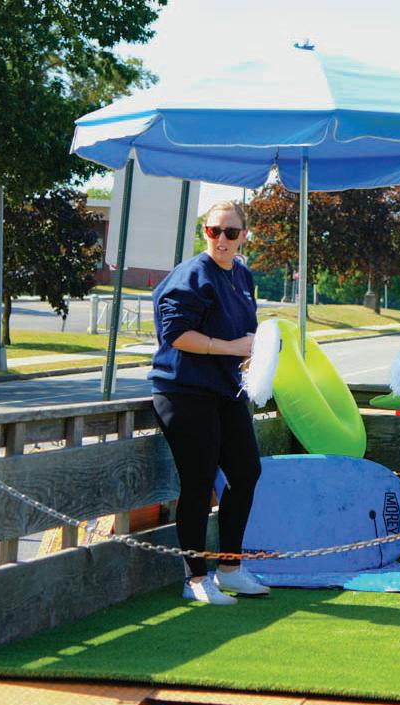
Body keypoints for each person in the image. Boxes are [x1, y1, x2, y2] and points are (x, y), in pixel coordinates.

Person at [149, 200, 268, 606]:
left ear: (244, 235)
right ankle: (196, 578)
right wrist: (231, 347)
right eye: (214, 231)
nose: (221, 239)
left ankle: (230, 569)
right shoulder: (191, 275)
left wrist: (254, 355)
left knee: (246, 471)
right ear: (205, 232)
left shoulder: (242, 275)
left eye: (230, 232)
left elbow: (245, 333)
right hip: (183, 390)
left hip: (225, 391)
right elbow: (176, 334)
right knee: (198, 483)